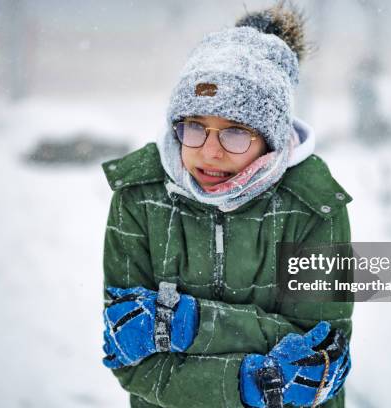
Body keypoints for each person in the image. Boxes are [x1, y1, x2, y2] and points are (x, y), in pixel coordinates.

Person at [100, 3, 353, 407]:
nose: (210, 153)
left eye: (235, 133)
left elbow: (319, 360)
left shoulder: (313, 207)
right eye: (195, 128)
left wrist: (184, 324)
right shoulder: (139, 196)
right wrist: (251, 383)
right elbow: (128, 357)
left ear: (270, 139)